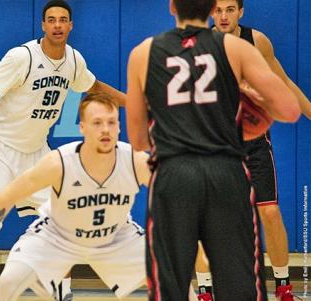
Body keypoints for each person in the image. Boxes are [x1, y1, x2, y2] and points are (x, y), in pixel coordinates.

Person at [0, 1, 127, 301]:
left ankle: (63, 293)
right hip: (1, 146)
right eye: (51, 20)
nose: (57, 25)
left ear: (70, 26)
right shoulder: (22, 57)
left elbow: (95, 87)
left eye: (63, 20)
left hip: (35, 150)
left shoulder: (73, 61)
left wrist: (132, 103)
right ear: (43, 25)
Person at [126, 0, 301, 299]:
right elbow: (289, 109)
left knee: (170, 288)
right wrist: (246, 101)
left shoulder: (142, 53)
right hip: (226, 171)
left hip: (173, 172)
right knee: (239, 285)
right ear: (210, 9)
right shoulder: (236, 49)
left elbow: (139, 140)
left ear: (171, 7)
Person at [0, 92, 152, 300]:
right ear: (82, 127)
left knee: (170, 278)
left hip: (115, 235)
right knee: (8, 281)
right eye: (97, 122)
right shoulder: (59, 163)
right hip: (58, 237)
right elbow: (3, 199)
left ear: (119, 126)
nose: (105, 129)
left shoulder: (136, 162)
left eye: (111, 122)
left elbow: (175, 195)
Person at [192, 1, 311, 300]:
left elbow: (283, 82)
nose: (223, 16)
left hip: (254, 143)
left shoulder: (257, 41)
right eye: (218, 10)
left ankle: (283, 287)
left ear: (240, 12)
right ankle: (205, 290)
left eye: (230, 9)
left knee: (270, 212)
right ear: (210, 12)